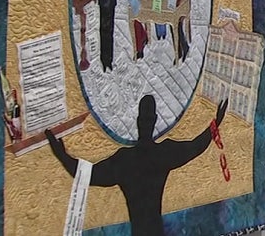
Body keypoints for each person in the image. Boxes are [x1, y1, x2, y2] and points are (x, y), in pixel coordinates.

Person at [45, 95, 228, 236]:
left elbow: (85, 174)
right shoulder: (163, 154)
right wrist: (215, 123)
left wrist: (61, 154)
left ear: (138, 120)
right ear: (155, 120)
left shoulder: (125, 160)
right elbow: (197, 146)